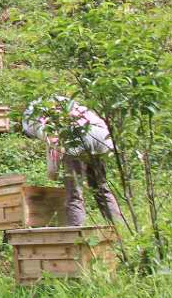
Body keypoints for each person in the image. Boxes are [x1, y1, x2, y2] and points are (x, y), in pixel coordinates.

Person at [22, 97, 122, 227]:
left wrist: (53, 173)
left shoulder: (33, 120)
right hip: (102, 138)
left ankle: (76, 232)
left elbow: (53, 144)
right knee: (101, 188)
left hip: (76, 140)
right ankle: (119, 229)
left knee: (74, 194)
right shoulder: (61, 104)